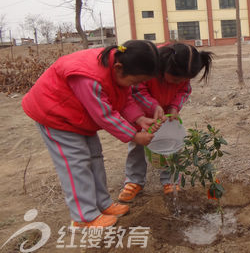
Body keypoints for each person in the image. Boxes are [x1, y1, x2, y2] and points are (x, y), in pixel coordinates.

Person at [22, 40, 161, 228]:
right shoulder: (89, 77)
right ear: (119, 68)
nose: (135, 85)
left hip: (78, 116)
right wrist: (134, 136)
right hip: (55, 115)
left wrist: (138, 119)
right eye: (135, 81)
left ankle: (103, 204)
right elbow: (104, 115)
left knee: (95, 157)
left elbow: (124, 98)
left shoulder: (118, 67)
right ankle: (84, 216)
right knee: (76, 163)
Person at [118, 43, 214, 202]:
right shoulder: (149, 67)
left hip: (165, 115)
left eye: (183, 80)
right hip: (140, 115)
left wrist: (174, 107)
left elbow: (184, 91)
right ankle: (134, 180)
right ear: (164, 68)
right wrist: (153, 106)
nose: (178, 83)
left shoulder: (182, 72)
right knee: (137, 145)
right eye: (176, 79)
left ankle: (170, 179)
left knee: (171, 147)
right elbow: (137, 91)